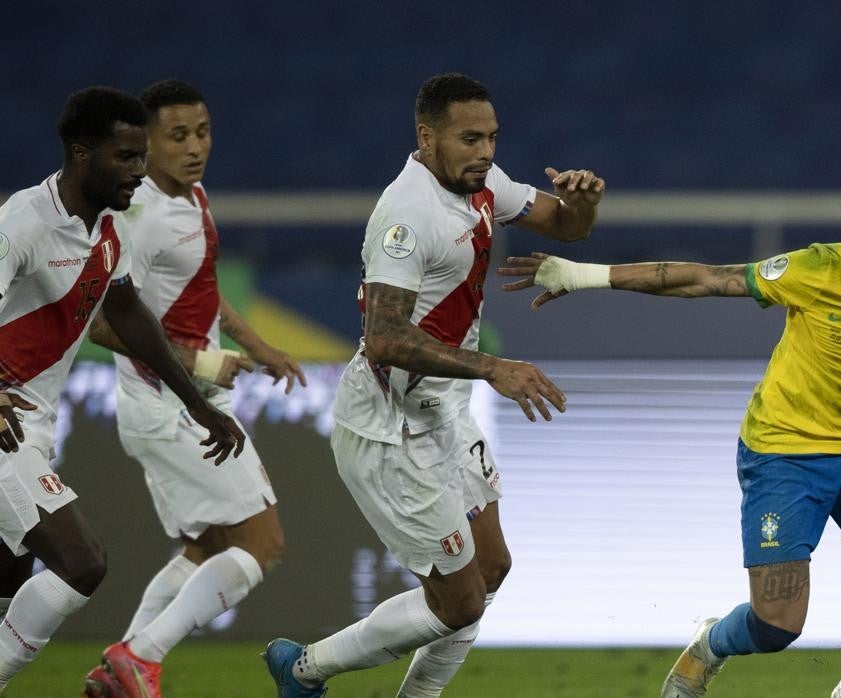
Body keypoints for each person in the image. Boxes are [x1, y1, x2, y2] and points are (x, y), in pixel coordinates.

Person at [499, 181, 841, 695]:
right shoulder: (819, 269)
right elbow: (706, 278)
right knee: (776, 625)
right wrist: (582, 275)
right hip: (782, 452)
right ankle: (710, 642)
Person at [263, 72, 604, 697]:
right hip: (389, 429)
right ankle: (304, 668)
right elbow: (387, 336)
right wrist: (495, 368)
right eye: (470, 138)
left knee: (492, 569)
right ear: (428, 136)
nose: (486, 152)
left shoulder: (483, 184)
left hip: (444, 413)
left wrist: (583, 200)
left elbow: (566, 225)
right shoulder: (406, 215)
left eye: (493, 138)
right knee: (458, 600)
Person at [0, 86, 245, 692]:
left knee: (8, 587)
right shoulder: (22, 224)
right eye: (125, 157)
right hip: (2, 420)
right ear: (82, 155)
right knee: (81, 562)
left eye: (141, 156)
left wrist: (196, 401)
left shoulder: (111, 228)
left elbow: (131, 313)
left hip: (34, 424)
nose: (139, 170)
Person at [78, 79, 307, 698]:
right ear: (146, 143)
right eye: (177, 135)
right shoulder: (140, 217)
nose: (194, 146)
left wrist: (258, 347)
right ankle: (142, 657)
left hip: (182, 404)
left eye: (202, 132)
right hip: (171, 403)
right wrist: (204, 366)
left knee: (206, 547)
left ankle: (116, 672)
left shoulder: (193, 196)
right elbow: (100, 320)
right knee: (263, 544)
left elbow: (203, 288)